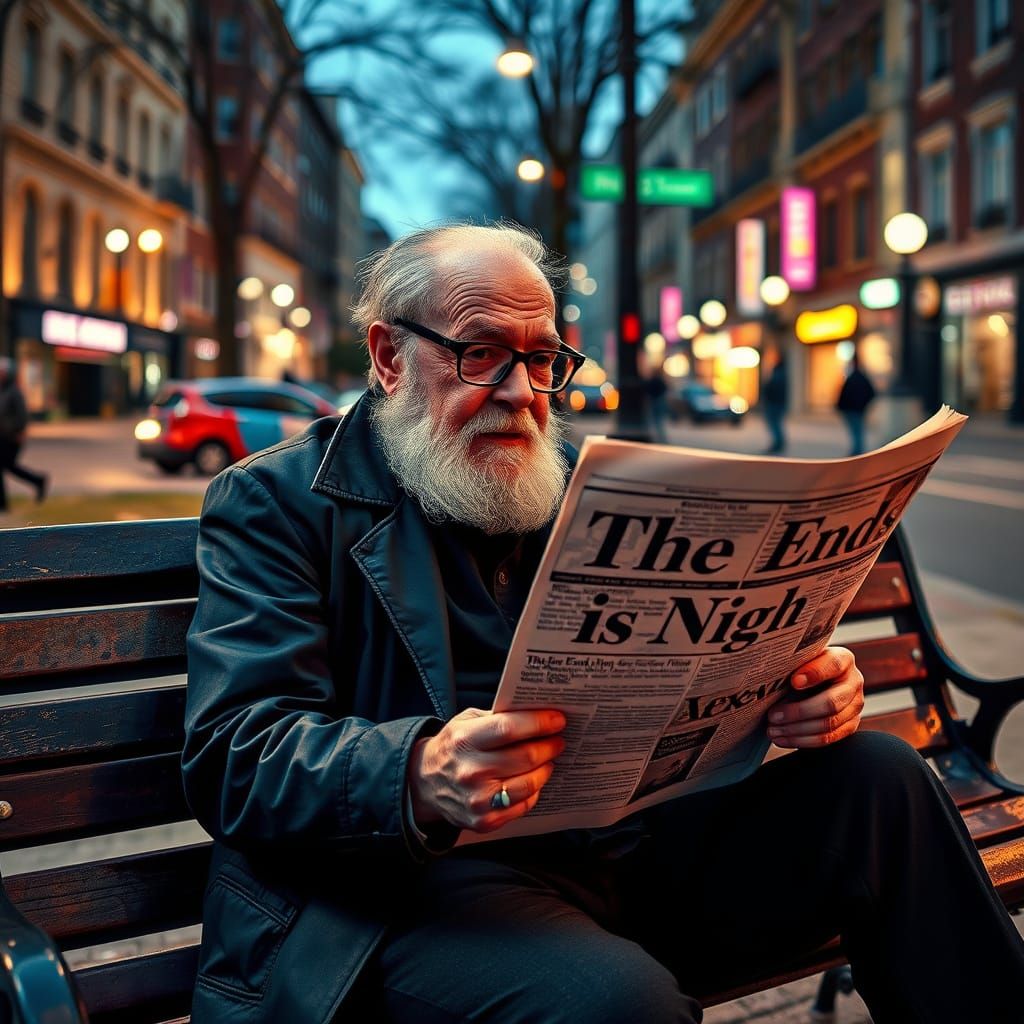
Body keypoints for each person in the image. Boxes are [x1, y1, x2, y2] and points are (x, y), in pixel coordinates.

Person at [183, 223, 1024, 1024]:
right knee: (614, 1004)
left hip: (620, 852)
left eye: (543, 359)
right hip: (403, 895)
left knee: (881, 778)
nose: (520, 392)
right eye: (481, 354)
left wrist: (799, 685)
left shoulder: (585, 483)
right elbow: (233, 753)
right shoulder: (279, 503)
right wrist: (418, 769)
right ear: (389, 356)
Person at [0, 357, 47, 513]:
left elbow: (22, 415)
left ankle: (38, 481)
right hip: (3, 436)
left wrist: (19, 431)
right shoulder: (3, 391)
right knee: (9, 467)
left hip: (12, 437)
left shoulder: (14, 391)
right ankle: (38, 481)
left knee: (7, 466)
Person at [836, 348, 876, 456]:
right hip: (856, 410)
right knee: (857, 432)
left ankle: (857, 453)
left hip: (853, 410)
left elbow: (844, 394)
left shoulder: (853, 377)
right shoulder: (860, 377)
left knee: (856, 432)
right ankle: (857, 452)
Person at [761, 348, 788, 454]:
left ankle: (778, 443)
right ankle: (778, 443)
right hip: (776, 403)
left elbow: (774, 388)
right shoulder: (778, 371)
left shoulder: (778, 372)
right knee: (775, 424)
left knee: (775, 424)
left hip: (775, 403)